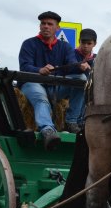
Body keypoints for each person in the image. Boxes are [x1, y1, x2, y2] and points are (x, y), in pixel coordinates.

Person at [18, 11, 89, 150]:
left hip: (55, 88)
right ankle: (48, 130)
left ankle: (72, 121)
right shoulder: (29, 44)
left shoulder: (65, 47)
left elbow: (71, 65)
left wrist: (80, 67)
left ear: (57, 28)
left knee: (82, 79)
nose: (45, 26)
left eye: (49, 24)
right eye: (43, 23)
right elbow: (25, 66)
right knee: (41, 99)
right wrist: (39, 70)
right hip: (32, 83)